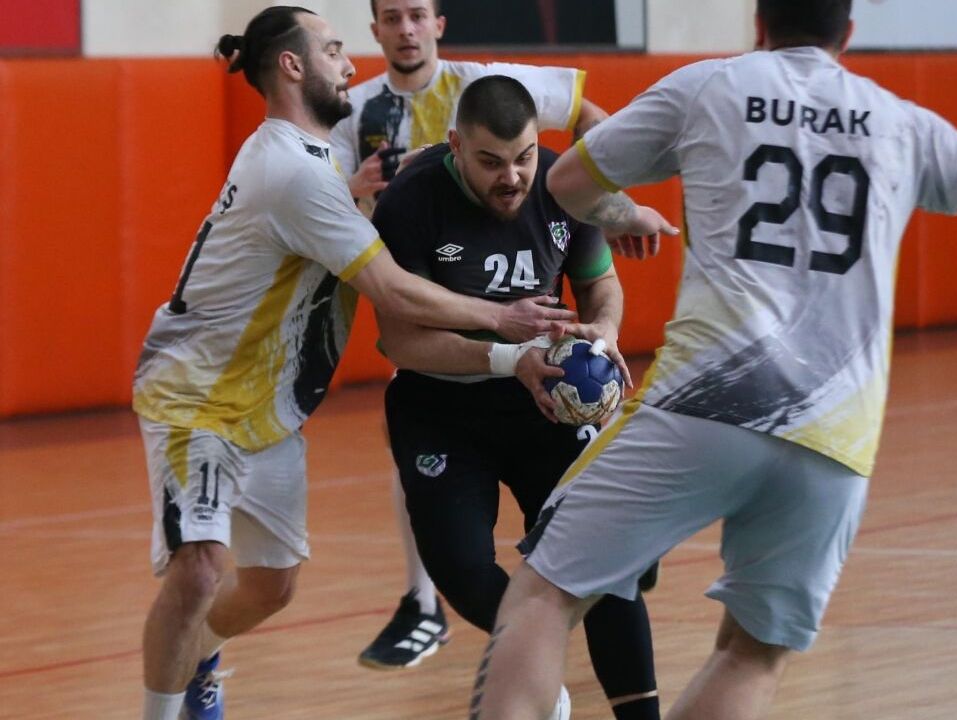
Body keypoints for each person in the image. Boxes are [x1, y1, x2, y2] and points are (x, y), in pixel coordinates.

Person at [465, 0, 957, 718]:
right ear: (848, 33)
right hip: (833, 440)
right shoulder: (900, 121)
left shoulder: (709, 87)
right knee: (751, 654)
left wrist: (621, 212)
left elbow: (566, 184)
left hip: (705, 405)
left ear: (758, 22)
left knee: (543, 595)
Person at [133, 8, 573, 720]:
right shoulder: (290, 169)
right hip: (199, 397)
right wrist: (502, 318)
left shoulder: (321, 160)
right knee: (201, 568)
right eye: (333, 49)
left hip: (267, 410)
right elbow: (392, 290)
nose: (347, 64)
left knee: (272, 586)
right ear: (293, 66)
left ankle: (199, 660)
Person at [329, 0, 621, 672]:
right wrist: (354, 191)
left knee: (573, 483)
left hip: (521, 310)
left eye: (417, 15)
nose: (406, 29)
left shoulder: (486, 81)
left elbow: (592, 121)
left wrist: (615, 206)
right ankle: (424, 600)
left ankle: (593, 572)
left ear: (439, 24)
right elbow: (325, 207)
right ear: (375, 30)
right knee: (421, 440)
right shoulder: (355, 110)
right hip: (415, 290)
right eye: (392, 17)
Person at [372, 75, 661, 720]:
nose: (512, 177)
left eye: (524, 156)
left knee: (604, 565)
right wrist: (509, 356)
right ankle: (537, 679)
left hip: (545, 404)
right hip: (442, 407)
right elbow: (402, 341)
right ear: (455, 146)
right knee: (460, 567)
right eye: (491, 162)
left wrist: (604, 331)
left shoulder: (562, 185)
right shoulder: (412, 202)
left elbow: (601, 284)